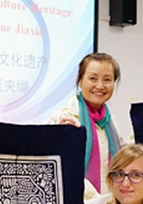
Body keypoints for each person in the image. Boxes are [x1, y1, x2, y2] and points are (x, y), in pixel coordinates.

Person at [48, 52, 124, 196]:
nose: (100, 86)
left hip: (109, 201)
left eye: (107, 79)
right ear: (80, 81)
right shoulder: (64, 117)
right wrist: (58, 135)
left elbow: (123, 160)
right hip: (75, 200)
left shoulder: (111, 122)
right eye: (93, 78)